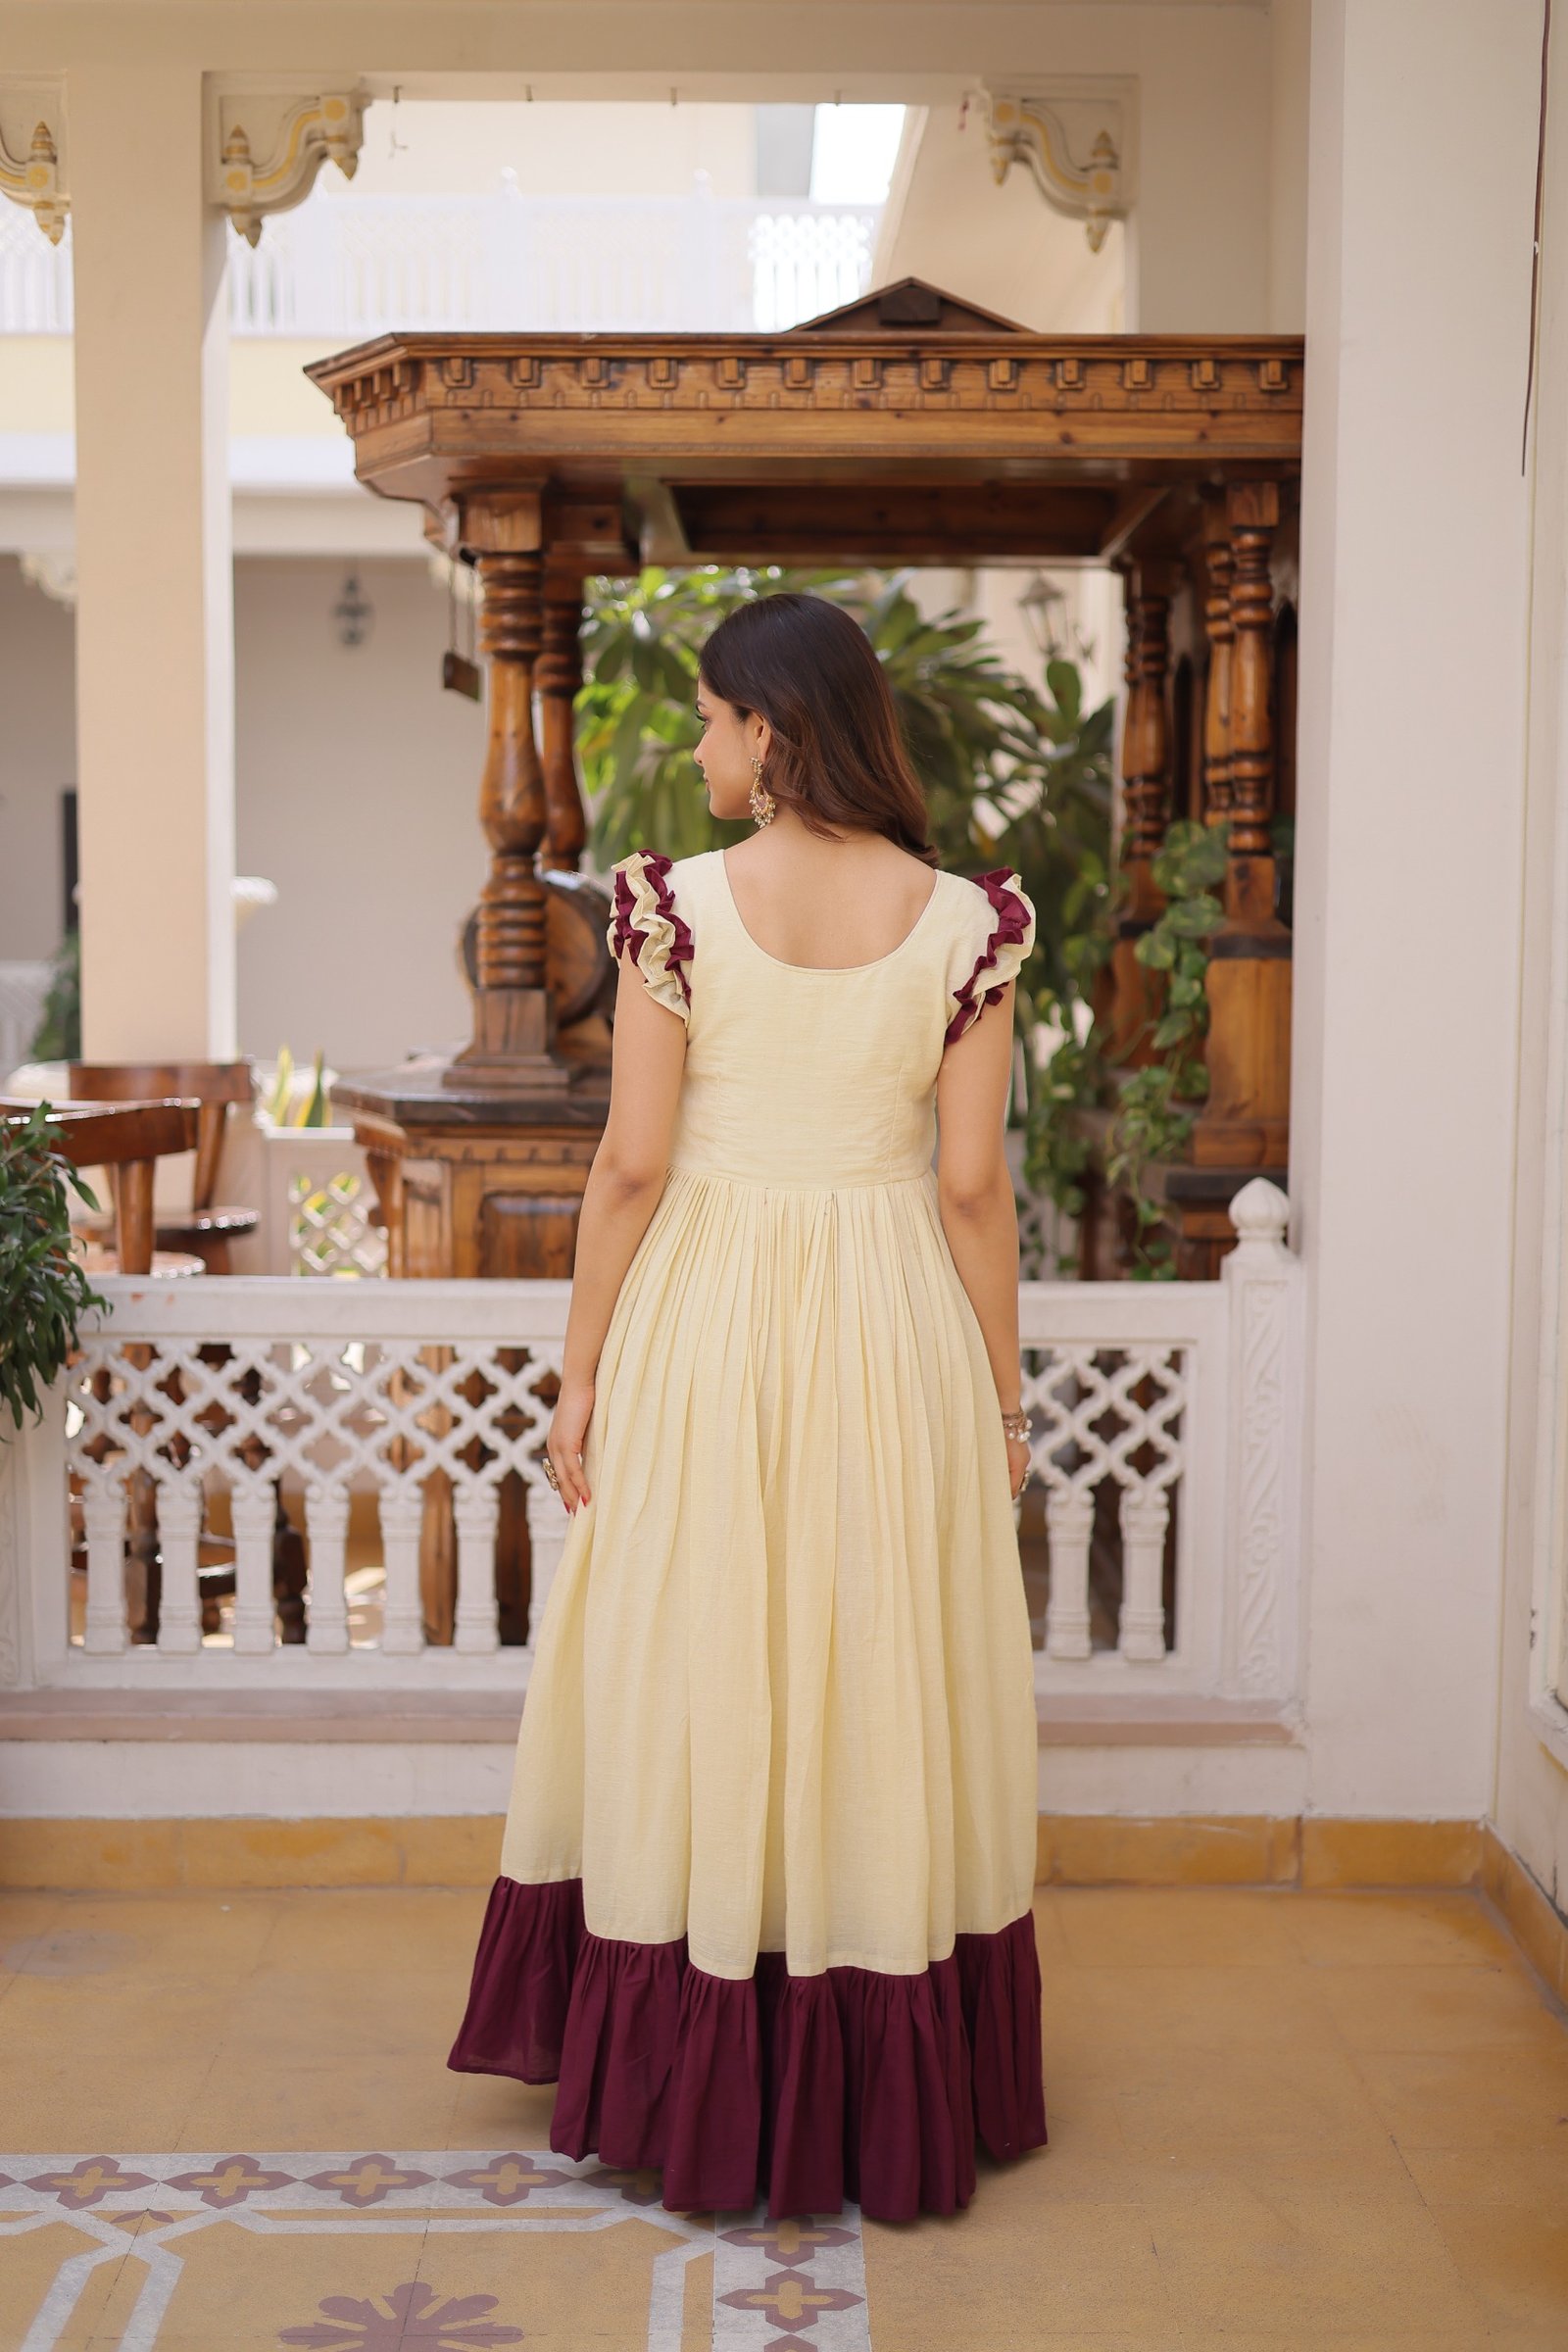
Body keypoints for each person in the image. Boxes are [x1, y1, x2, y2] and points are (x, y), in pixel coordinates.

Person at [449, 590, 1048, 2225]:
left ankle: (702, 2043)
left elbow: (632, 1165)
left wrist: (581, 1368)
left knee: (698, 1647)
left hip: (709, 1314)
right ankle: (874, 2059)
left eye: (712, 718)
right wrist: (1001, 1403)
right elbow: (973, 1188)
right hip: (892, 1323)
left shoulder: (675, 909)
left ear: (770, 731)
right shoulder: (968, 922)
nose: (699, 743)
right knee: (873, 1656)